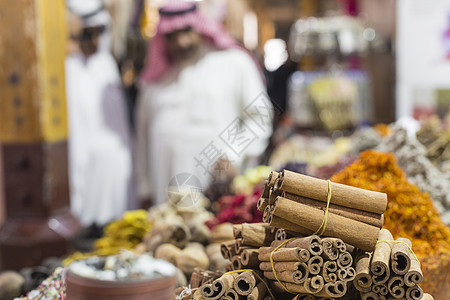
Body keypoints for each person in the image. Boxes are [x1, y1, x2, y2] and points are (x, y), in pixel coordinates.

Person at [136, 1, 273, 207]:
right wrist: (144, 186)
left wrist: (233, 155)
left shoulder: (233, 63)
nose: (181, 42)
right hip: (164, 188)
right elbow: (142, 136)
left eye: (187, 31)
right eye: (171, 35)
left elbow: (260, 116)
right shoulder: (155, 80)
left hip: (216, 185)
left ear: (200, 25)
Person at [65, 0, 135, 229]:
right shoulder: (69, 69)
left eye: (100, 33)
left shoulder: (106, 65)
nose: (94, 41)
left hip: (116, 172)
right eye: (87, 35)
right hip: (84, 172)